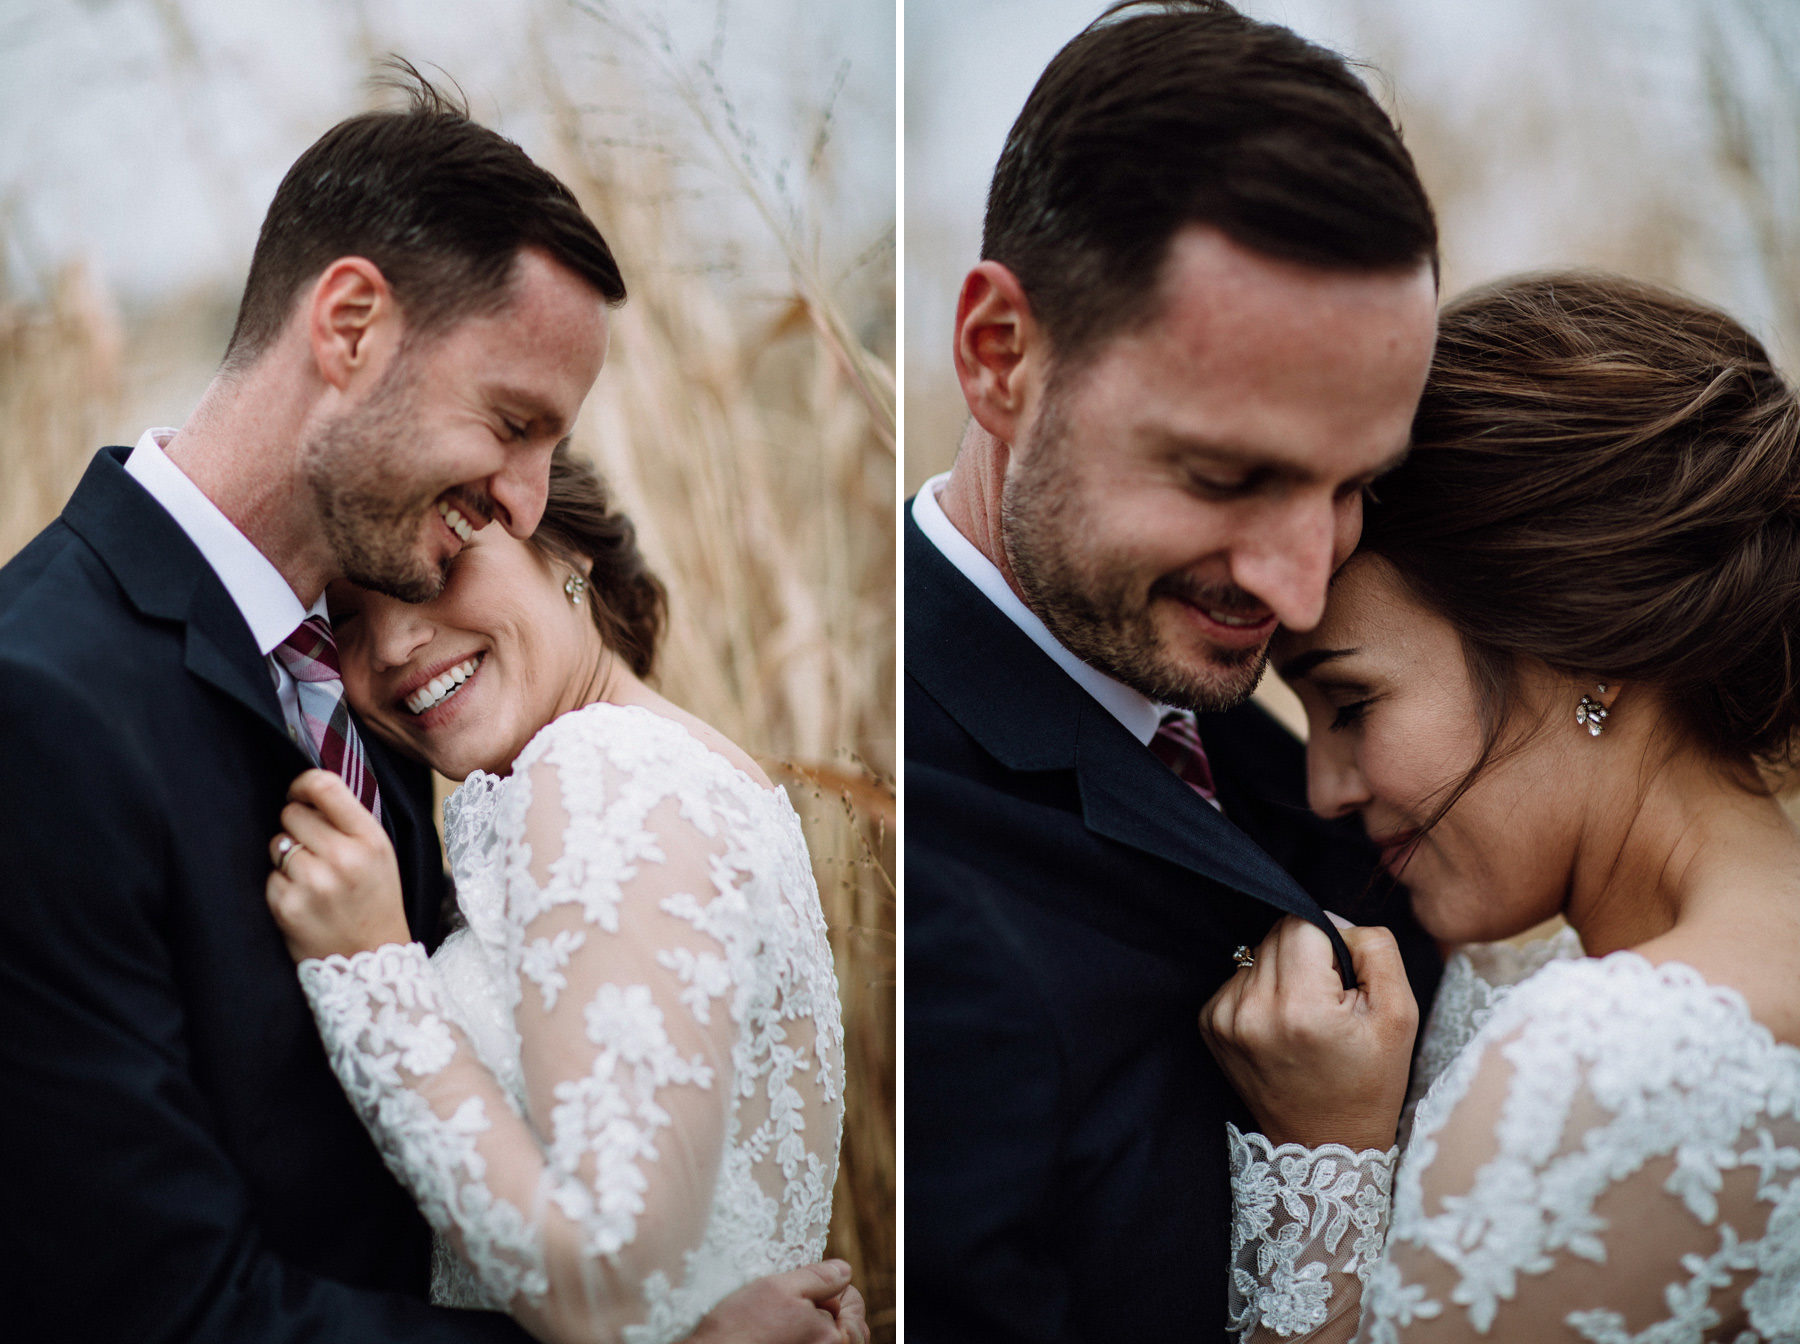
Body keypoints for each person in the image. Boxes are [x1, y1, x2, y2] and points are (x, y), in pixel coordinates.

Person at [0, 72, 856, 1344]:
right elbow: (146, 1304)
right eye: (512, 421)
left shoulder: (384, 683)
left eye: (552, 449)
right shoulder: (42, 706)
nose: (524, 496)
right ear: (349, 326)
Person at [905, 2, 1443, 1340]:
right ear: (1001, 357)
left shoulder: (1304, 770)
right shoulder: (897, 849)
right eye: (1225, 475)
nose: (1302, 588)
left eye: (1352, 488)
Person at [1205, 272, 1800, 1341]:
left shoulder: (1597, 1075)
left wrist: (1327, 1166)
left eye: (1351, 701)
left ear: (1584, 643)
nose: (1325, 791)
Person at [260, 444, 852, 1344]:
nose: (393, 644)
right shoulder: (661, 768)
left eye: (439, 568)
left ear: (565, 545)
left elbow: (608, 1280)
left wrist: (368, 969)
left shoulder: (604, 773)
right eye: (343, 617)